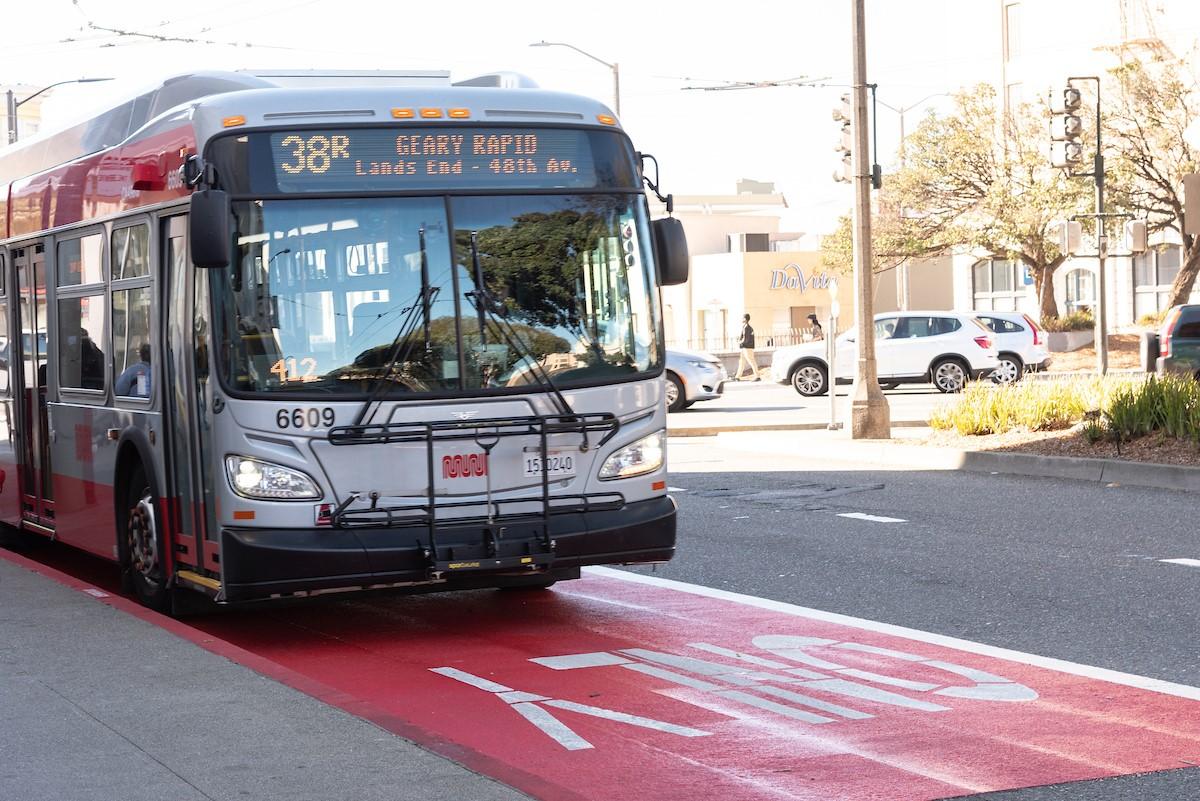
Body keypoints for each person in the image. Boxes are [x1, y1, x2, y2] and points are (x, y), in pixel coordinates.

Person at [734, 313, 759, 381]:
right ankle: (737, 377)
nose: (741, 319)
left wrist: (739, 342)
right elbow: (744, 338)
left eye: (742, 318)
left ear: (745, 319)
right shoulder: (746, 327)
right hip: (745, 347)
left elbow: (746, 340)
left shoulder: (747, 328)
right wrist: (739, 340)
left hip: (747, 348)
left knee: (751, 361)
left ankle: (757, 376)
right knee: (741, 362)